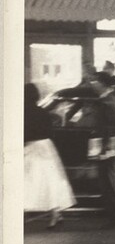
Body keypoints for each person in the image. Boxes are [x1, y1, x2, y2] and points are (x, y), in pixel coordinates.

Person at [24, 83, 76, 228]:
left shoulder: (22, 112)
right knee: (50, 181)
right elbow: (50, 131)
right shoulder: (43, 112)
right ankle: (55, 214)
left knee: (27, 180)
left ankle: (23, 211)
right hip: (46, 147)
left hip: (30, 146)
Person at [88, 71, 115, 229]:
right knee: (111, 184)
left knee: (109, 185)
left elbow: (109, 129)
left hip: (109, 150)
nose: (92, 84)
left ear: (101, 83)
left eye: (94, 81)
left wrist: (103, 150)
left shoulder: (107, 102)